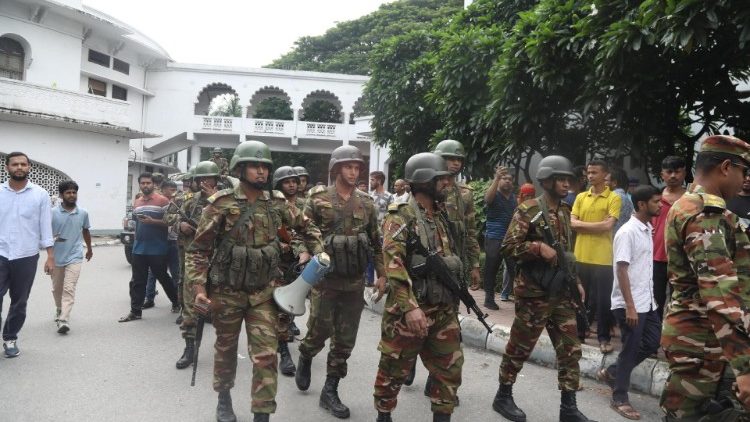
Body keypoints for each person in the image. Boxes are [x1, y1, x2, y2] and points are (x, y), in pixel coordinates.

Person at [185, 141, 322, 422]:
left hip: (264, 293)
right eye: (254, 166)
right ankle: (224, 399)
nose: (261, 172)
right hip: (226, 292)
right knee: (225, 349)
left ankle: (262, 413)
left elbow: (307, 226)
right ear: (240, 168)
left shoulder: (277, 203)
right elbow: (198, 251)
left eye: (265, 167)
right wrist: (199, 290)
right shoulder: (221, 203)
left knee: (266, 355)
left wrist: (319, 253)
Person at [492, 155, 594, 422]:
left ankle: (568, 408)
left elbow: (566, 253)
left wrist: (577, 282)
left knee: (571, 350)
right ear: (546, 181)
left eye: (568, 180)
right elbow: (508, 247)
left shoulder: (565, 211)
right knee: (520, 347)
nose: (566, 185)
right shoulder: (528, 210)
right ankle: (503, 395)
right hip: (534, 293)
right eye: (560, 179)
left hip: (561, 293)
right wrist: (536, 247)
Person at [660, 135, 750, 420]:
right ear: (726, 167)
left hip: (708, 338)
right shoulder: (702, 213)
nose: (744, 180)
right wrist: (745, 367)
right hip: (700, 341)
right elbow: (720, 291)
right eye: (743, 171)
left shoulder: (709, 210)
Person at [296, 145, 384, 420]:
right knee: (320, 329)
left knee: (345, 339)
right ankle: (307, 353)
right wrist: (303, 253)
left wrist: (381, 274)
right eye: (348, 167)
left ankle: (330, 389)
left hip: (354, 280)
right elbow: (301, 230)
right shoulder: (318, 198)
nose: (353, 171)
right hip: (325, 279)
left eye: (357, 167)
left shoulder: (366, 202)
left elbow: (376, 242)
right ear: (336, 169)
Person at [373, 152, 462, 422]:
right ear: (424, 181)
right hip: (409, 311)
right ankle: (384, 415)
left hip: (443, 309)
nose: (448, 184)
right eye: (442, 179)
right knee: (393, 371)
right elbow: (394, 264)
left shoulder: (441, 216)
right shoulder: (401, 216)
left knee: (450, 370)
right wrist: (410, 308)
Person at [596, 185, 662, 420]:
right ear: (642, 204)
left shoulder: (647, 228)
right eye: (656, 201)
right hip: (629, 303)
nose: (660, 205)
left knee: (653, 341)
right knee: (631, 348)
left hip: (647, 301)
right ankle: (619, 397)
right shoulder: (627, 232)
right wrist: (630, 306)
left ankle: (613, 372)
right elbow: (621, 270)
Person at [0, 152, 54, 357]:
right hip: (1, 253)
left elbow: (45, 227)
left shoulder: (40, 194)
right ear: (7, 168)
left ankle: (10, 337)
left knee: (19, 300)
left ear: (29, 167)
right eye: (15, 164)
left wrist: (50, 255)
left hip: (27, 255)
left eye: (23, 164)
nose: (19, 167)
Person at [571, 159, 621, 353]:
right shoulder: (581, 197)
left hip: (603, 257)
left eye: (594, 172)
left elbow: (609, 226)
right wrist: (596, 226)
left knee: (603, 301)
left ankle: (603, 337)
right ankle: (579, 334)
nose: (590, 176)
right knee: (580, 298)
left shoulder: (613, 198)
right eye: (589, 172)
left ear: (604, 174)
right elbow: (572, 223)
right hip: (580, 255)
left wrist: (583, 225)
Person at [174, 162, 219, 370]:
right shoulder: (190, 202)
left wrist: (214, 201)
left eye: (208, 178)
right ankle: (190, 347)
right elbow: (171, 216)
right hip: (195, 260)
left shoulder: (227, 201)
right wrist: (180, 226)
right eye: (200, 179)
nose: (203, 182)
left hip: (220, 262)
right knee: (192, 306)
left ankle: (224, 349)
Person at [118, 172, 179, 322]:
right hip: (139, 248)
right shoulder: (137, 202)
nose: (145, 185)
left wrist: (153, 222)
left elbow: (172, 223)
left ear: (154, 184)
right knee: (138, 281)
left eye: (148, 183)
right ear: (139, 184)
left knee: (163, 277)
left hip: (158, 249)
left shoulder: (163, 201)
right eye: (143, 183)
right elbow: (135, 223)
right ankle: (135, 311)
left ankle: (177, 302)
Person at [432, 140, 481, 292]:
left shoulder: (465, 193)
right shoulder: (428, 188)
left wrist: (474, 266)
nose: (456, 163)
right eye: (451, 159)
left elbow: (470, 231)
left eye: (459, 159)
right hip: (432, 260)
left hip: (456, 260)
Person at [271, 165, 304, 377]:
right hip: (277, 263)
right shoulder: (272, 204)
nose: (292, 184)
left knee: (295, 303)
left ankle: (288, 327)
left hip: (300, 262)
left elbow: (310, 230)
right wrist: (278, 243)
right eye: (287, 181)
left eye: (294, 181)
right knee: (280, 309)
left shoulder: (305, 205)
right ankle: (284, 352)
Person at [50, 180, 92, 334]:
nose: (72, 195)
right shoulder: (52, 213)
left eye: (74, 192)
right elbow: (46, 235)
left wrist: (89, 249)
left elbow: (86, 231)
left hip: (75, 255)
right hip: (56, 257)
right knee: (57, 289)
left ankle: (63, 320)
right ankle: (59, 309)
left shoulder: (83, 213)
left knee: (69, 288)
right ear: (62, 195)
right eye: (68, 192)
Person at [651, 156, 686, 320]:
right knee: (655, 298)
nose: (673, 176)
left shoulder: (691, 199)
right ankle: (654, 333)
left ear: (684, 173)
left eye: (677, 172)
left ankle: (673, 335)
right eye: (669, 172)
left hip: (682, 258)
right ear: (662, 174)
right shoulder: (654, 198)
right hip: (656, 257)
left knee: (678, 299)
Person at [482, 166, 516, 310]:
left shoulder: (513, 198)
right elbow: (487, 199)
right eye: (504, 179)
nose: (507, 181)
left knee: (515, 269)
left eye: (510, 179)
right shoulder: (494, 194)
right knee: (491, 269)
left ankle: (520, 298)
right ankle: (489, 299)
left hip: (510, 239)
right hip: (494, 237)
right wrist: (496, 178)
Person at [144, 180, 180, 308]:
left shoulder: (178, 203)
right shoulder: (158, 203)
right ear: (163, 189)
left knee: (176, 273)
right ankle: (149, 298)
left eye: (175, 189)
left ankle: (177, 301)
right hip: (159, 242)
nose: (174, 192)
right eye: (171, 189)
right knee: (153, 273)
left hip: (173, 243)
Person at [605, 167, 634, 233]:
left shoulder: (614, 197)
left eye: (605, 181)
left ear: (614, 183)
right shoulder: (625, 198)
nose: (602, 183)